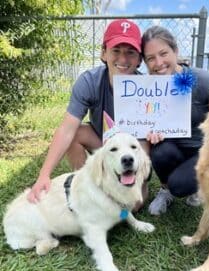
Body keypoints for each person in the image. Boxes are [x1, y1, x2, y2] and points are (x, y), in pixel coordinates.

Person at [28, 19, 148, 203]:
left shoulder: (148, 88)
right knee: (75, 132)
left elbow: (149, 140)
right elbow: (66, 130)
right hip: (103, 141)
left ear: (139, 58)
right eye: (116, 51)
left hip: (134, 148)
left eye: (130, 53)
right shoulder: (89, 82)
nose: (123, 59)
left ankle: (135, 184)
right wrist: (44, 175)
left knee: (133, 205)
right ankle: (88, 184)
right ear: (104, 53)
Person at [142, 26, 209, 215]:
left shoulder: (203, 80)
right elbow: (145, 121)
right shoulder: (146, 88)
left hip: (204, 150)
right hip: (173, 148)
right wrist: (150, 132)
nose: (158, 62)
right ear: (145, 62)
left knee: (180, 185)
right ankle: (165, 191)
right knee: (159, 152)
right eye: (150, 58)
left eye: (163, 53)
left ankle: (198, 188)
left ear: (175, 51)